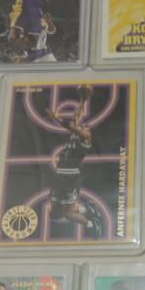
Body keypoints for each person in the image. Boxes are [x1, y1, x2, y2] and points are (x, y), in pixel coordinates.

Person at [45, 89, 105, 239]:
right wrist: (83, 100)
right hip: (60, 175)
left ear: (88, 132)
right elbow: (75, 118)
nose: (84, 126)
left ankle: (93, 225)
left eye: (86, 126)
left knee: (68, 213)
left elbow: (70, 126)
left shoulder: (85, 138)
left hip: (70, 177)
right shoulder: (76, 135)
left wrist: (56, 118)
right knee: (54, 214)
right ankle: (87, 209)